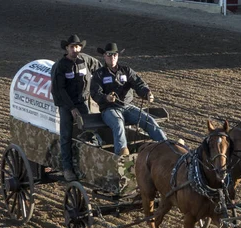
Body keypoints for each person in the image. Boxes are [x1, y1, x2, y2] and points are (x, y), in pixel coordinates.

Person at [90, 43, 167, 157]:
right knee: (118, 124)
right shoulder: (99, 74)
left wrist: (147, 93)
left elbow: (139, 84)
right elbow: (95, 93)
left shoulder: (126, 71)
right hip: (109, 109)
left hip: (128, 107)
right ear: (104, 56)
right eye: (109, 55)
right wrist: (106, 98)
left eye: (114, 55)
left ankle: (166, 146)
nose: (112, 57)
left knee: (149, 120)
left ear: (117, 56)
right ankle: (122, 156)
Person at [52, 34, 101, 182]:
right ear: (67, 48)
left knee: (89, 132)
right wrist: (71, 108)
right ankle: (67, 168)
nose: (75, 49)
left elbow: (99, 70)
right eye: (72, 46)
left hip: (83, 102)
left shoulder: (85, 60)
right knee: (66, 135)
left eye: (77, 46)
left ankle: (88, 164)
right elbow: (59, 89)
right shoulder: (60, 66)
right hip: (67, 105)